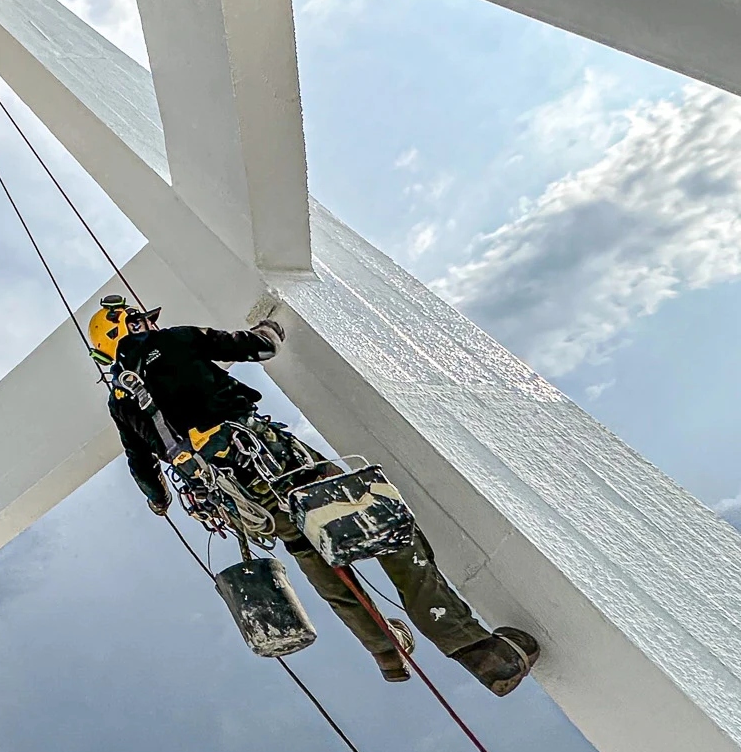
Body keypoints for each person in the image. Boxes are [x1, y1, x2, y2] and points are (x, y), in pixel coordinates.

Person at [90, 296, 540, 694]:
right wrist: (272, 320)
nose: (149, 323)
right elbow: (260, 346)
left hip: (241, 493)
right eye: (140, 319)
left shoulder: (119, 399)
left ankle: (386, 653)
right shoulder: (175, 339)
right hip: (275, 457)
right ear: (128, 325)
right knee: (379, 527)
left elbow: (143, 467)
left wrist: (159, 501)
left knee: (315, 556)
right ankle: (477, 651)